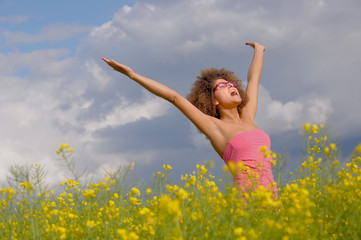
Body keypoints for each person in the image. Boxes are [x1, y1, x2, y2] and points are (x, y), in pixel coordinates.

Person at [102, 42, 277, 198]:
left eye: (232, 84)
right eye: (223, 85)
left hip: (272, 200)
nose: (231, 85)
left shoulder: (248, 116)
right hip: (248, 201)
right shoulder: (214, 126)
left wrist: (259, 50)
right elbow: (174, 97)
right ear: (213, 100)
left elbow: (253, 79)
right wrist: (132, 75)